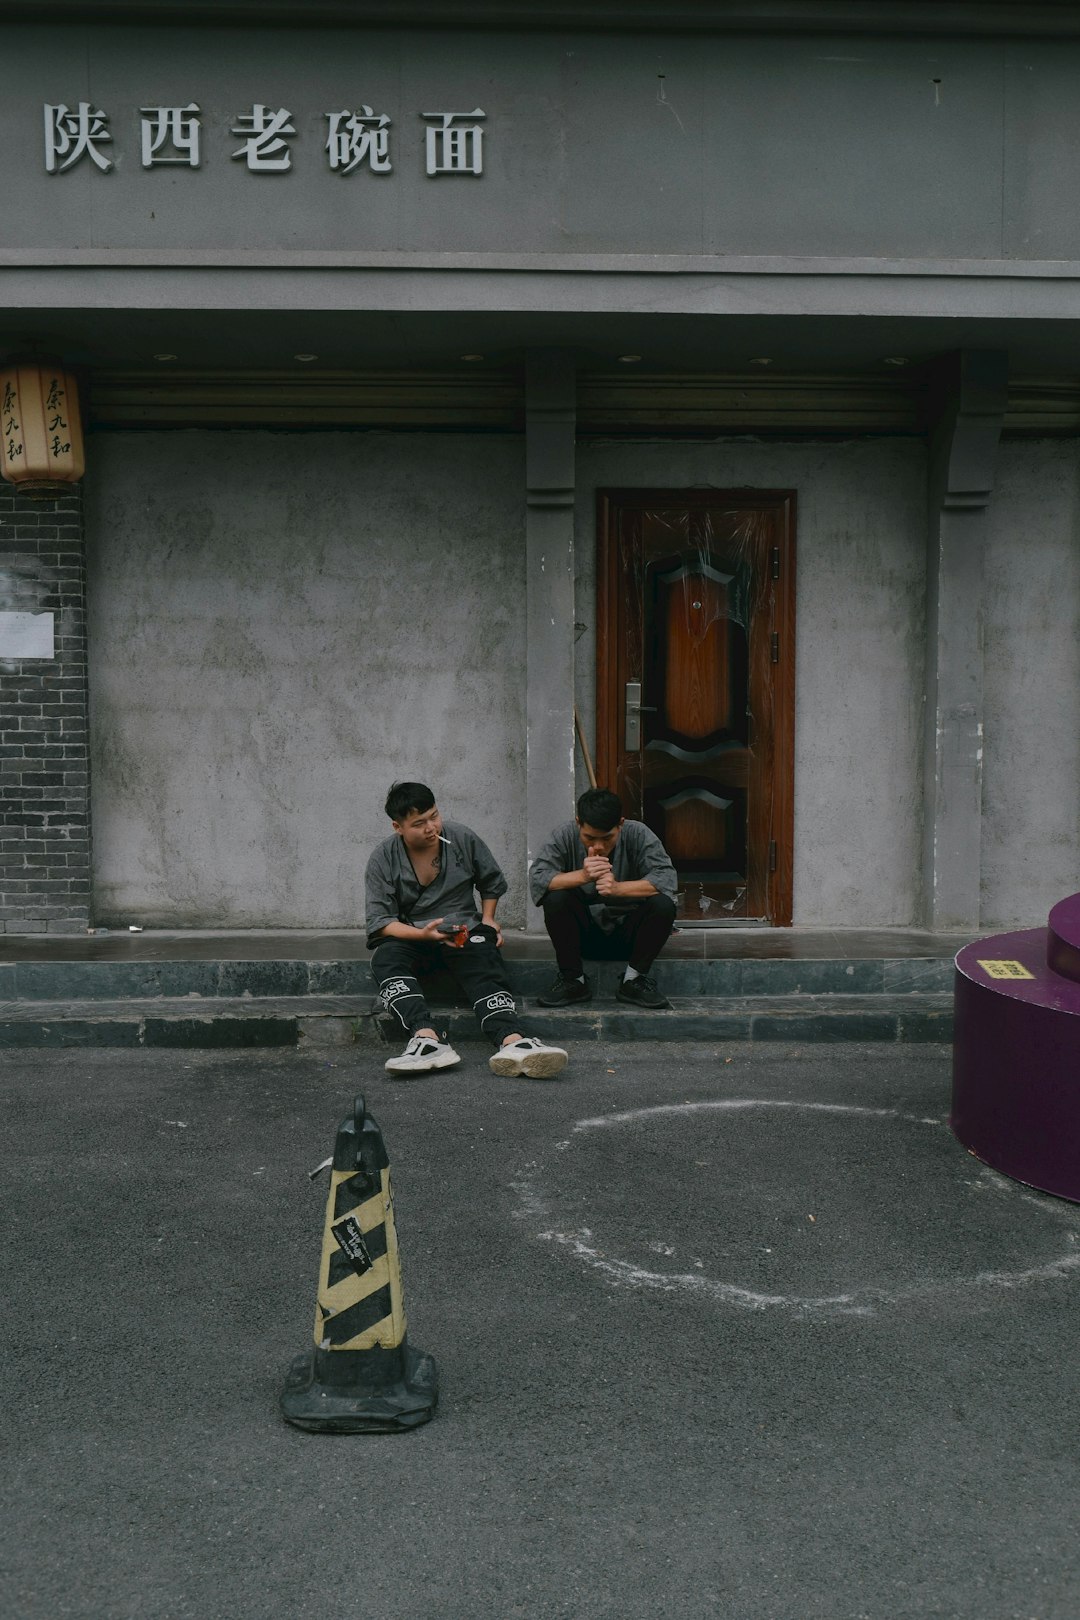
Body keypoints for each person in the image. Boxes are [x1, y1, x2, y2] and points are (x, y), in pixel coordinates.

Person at [366, 782, 568, 1078]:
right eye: (418, 823)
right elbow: (382, 923)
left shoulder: (461, 837)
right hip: (414, 935)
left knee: (483, 954)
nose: (430, 827)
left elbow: (491, 881)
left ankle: (513, 1040)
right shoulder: (383, 857)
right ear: (398, 826)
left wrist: (488, 918)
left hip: (464, 928)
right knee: (385, 958)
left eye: (434, 816)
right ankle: (426, 1038)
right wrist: (423, 935)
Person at [530, 787, 678, 1009]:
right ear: (578, 823)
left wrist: (618, 888)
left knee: (663, 904)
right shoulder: (563, 835)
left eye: (607, 838)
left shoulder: (638, 833)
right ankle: (573, 980)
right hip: (583, 937)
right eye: (589, 838)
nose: (598, 846)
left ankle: (634, 980)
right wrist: (582, 876)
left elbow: (667, 879)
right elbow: (538, 878)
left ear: (621, 824)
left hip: (630, 937)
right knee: (556, 898)